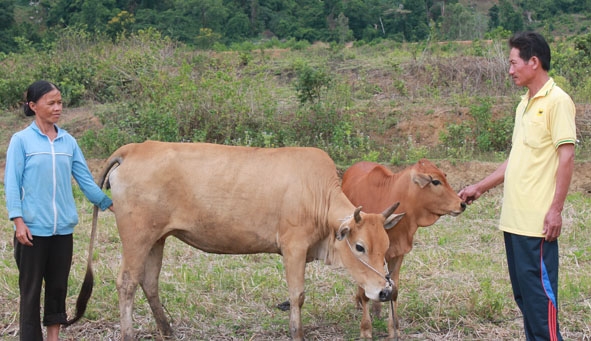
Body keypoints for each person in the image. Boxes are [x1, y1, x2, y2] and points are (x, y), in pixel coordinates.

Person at [459, 31, 575, 340]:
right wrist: (480, 187)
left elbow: (566, 158)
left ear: (533, 62)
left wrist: (555, 211)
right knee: (526, 302)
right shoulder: (523, 105)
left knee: (541, 307)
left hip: (537, 226)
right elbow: (515, 160)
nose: (510, 70)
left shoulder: (557, 102)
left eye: (513, 63)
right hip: (514, 223)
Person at [4, 80, 114, 341]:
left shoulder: (68, 142)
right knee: (30, 292)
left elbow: (86, 180)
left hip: (62, 230)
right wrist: (18, 222)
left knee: (57, 288)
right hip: (31, 231)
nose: (58, 108)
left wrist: (109, 203)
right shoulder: (21, 141)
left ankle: (53, 337)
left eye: (60, 102)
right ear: (33, 106)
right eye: (51, 103)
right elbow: (11, 185)